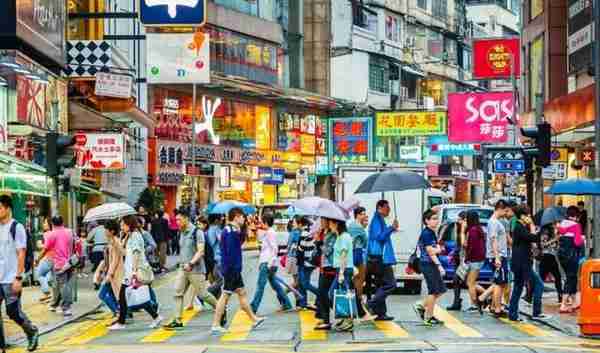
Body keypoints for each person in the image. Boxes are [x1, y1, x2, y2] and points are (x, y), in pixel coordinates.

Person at [211, 208, 265, 334]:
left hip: (234, 269)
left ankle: (254, 319)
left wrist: (243, 230)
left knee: (242, 293)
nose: (243, 219)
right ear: (235, 217)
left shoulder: (233, 230)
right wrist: (233, 270)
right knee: (225, 295)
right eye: (242, 217)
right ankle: (215, 324)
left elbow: (239, 243)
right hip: (231, 269)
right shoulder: (229, 231)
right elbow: (231, 253)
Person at [164, 212, 217, 328]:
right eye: (176, 220)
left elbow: (201, 251)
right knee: (177, 292)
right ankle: (177, 320)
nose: (177, 222)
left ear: (186, 218)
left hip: (195, 269)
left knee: (203, 294)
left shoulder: (197, 232)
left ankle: (220, 307)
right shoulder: (181, 232)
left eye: (179, 220)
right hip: (183, 269)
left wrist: (191, 263)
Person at [0, 195, 39, 352]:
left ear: (8, 208)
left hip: (11, 278)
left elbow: (21, 253)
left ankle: (32, 331)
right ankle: (2, 345)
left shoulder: (16, 227)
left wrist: (18, 277)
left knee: (12, 311)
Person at [110, 215, 162, 330]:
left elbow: (136, 253)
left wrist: (133, 272)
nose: (121, 227)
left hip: (134, 270)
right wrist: (117, 243)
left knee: (123, 296)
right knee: (138, 296)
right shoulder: (129, 236)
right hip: (130, 270)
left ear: (129, 224)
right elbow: (125, 253)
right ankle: (156, 316)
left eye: (123, 224)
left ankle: (121, 322)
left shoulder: (135, 236)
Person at [508, 205, 549, 321]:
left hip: (520, 263)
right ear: (522, 216)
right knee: (539, 284)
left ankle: (513, 314)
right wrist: (532, 226)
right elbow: (534, 238)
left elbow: (534, 239)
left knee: (518, 288)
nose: (530, 217)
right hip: (522, 263)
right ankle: (536, 312)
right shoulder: (519, 228)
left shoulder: (520, 227)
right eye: (528, 215)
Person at [38, 216, 81, 317]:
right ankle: (54, 304)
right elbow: (78, 243)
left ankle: (66, 308)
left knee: (63, 285)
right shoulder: (70, 231)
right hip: (71, 262)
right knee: (61, 285)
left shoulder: (52, 234)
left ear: (52, 224)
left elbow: (45, 249)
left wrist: (38, 259)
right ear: (63, 222)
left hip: (59, 265)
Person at [250, 213, 292, 314]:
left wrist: (270, 263)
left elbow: (274, 249)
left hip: (267, 263)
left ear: (265, 222)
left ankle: (253, 307)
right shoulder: (268, 232)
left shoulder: (270, 233)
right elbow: (261, 238)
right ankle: (287, 303)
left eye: (262, 222)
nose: (260, 223)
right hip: (269, 263)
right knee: (275, 285)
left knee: (260, 285)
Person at [366, 200, 399, 321]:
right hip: (379, 258)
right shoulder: (376, 220)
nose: (389, 209)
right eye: (386, 207)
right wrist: (391, 228)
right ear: (380, 207)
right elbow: (379, 237)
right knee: (390, 284)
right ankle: (371, 304)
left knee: (381, 285)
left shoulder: (379, 219)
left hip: (378, 258)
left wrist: (391, 228)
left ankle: (380, 313)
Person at [477, 200, 510, 317]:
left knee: (500, 282)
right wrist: (497, 257)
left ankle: (484, 299)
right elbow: (493, 239)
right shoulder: (494, 222)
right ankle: (497, 309)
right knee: (499, 283)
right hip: (498, 256)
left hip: (499, 255)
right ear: (500, 208)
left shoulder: (494, 222)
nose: (506, 213)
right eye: (505, 210)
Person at [414, 209, 446, 326]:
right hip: (427, 264)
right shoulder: (427, 233)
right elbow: (430, 251)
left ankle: (421, 306)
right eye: (433, 219)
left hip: (430, 264)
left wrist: (437, 249)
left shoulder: (432, 232)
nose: (436, 221)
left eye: (436, 218)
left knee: (440, 289)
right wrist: (439, 266)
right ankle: (428, 316)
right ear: (426, 221)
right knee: (434, 291)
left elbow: (435, 249)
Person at [347, 207, 374, 321]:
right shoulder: (358, 227)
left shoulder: (351, 226)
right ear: (357, 215)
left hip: (353, 254)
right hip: (357, 254)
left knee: (355, 280)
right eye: (362, 214)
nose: (364, 216)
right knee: (359, 279)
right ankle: (358, 303)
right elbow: (365, 241)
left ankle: (358, 305)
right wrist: (364, 228)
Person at [557, 206, 585, 313]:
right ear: (575, 216)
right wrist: (582, 239)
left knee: (571, 277)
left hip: (562, 255)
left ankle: (574, 302)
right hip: (572, 255)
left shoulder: (562, 223)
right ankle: (564, 304)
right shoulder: (576, 225)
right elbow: (577, 243)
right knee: (570, 277)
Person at [314, 218, 338, 330]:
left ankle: (343, 316)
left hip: (330, 268)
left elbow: (328, 251)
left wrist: (319, 242)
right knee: (322, 294)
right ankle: (326, 319)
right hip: (324, 267)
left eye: (323, 220)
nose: (321, 223)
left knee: (325, 294)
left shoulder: (333, 235)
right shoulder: (325, 233)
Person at [463, 211, 486, 313]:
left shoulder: (472, 230)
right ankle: (488, 295)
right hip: (479, 259)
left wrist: (467, 258)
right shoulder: (479, 229)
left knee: (470, 283)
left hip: (474, 259)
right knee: (471, 282)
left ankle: (474, 305)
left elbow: (468, 246)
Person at [99, 220, 123, 317]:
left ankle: (117, 311)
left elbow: (115, 260)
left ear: (112, 231)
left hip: (114, 273)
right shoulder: (112, 241)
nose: (105, 232)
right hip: (112, 273)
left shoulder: (115, 242)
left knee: (102, 294)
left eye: (106, 230)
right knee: (114, 294)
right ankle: (121, 311)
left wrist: (110, 274)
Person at [446, 211, 467, 311]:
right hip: (457, 257)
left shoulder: (467, 231)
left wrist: (463, 230)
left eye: (460, 220)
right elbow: (458, 244)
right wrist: (453, 253)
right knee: (456, 281)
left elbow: (464, 244)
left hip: (465, 259)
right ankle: (456, 302)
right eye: (458, 219)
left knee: (469, 282)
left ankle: (484, 298)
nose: (458, 221)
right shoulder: (458, 229)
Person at [297, 216, 318, 310]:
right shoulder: (310, 231)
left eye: (295, 223)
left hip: (307, 261)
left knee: (305, 283)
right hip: (309, 261)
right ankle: (303, 303)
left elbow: (302, 247)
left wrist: (298, 248)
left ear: (300, 224)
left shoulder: (304, 233)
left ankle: (320, 294)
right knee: (302, 283)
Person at [538, 223, 563, 304]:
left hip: (552, 257)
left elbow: (555, 247)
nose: (555, 225)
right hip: (545, 257)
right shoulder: (544, 232)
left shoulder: (553, 233)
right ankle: (534, 296)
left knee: (557, 277)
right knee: (541, 278)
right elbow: (542, 245)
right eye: (553, 224)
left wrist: (557, 241)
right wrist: (555, 239)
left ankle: (560, 295)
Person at [35, 217, 53, 302]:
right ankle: (53, 296)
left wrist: (38, 259)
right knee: (50, 276)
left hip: (49, 258)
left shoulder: (46, 234)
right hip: (56, 259)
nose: (43, 224)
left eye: (45, 223)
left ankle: (47, 293)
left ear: (50, 224)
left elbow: (42, 247)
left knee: (40, 274)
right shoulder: (54, 233)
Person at [206, 214, 224, 301]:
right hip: (217, 258)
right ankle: (205, 294)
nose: (222, 219)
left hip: (215, 257)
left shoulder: (212, 229)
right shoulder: (214, 229)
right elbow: (214, 242)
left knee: (217, 280)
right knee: (220, 280)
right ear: (216, 220)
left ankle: (220, 303)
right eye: (221, 218)